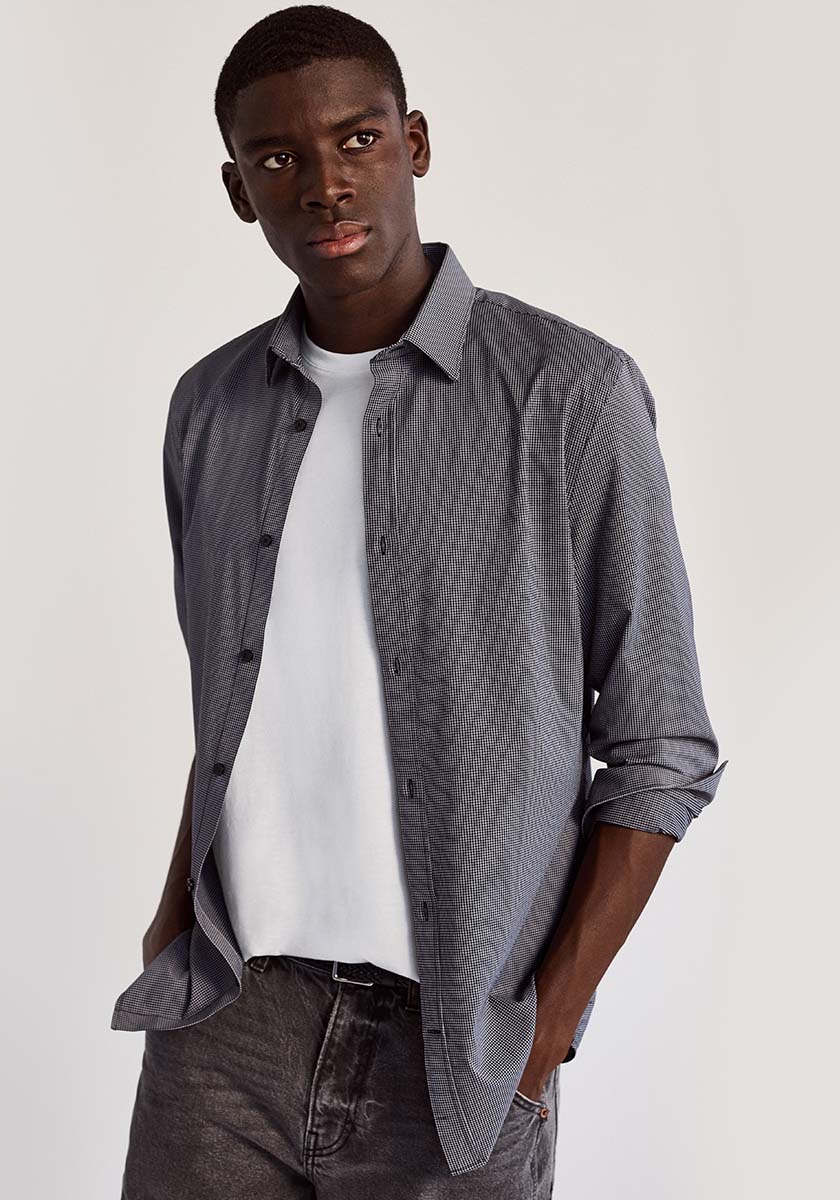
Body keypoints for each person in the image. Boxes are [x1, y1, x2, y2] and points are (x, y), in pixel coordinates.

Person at [113, 5, 729, 1196]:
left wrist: (545, 1029)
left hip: (456, 1052)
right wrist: (171, 916)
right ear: (238, 190)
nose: (326, 186)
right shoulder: (211, 410)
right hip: (225, 1028)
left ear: (417, 143)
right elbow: (235, 704)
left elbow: (664, 748)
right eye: (278, 158)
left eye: (359, 140)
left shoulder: (571, 394)